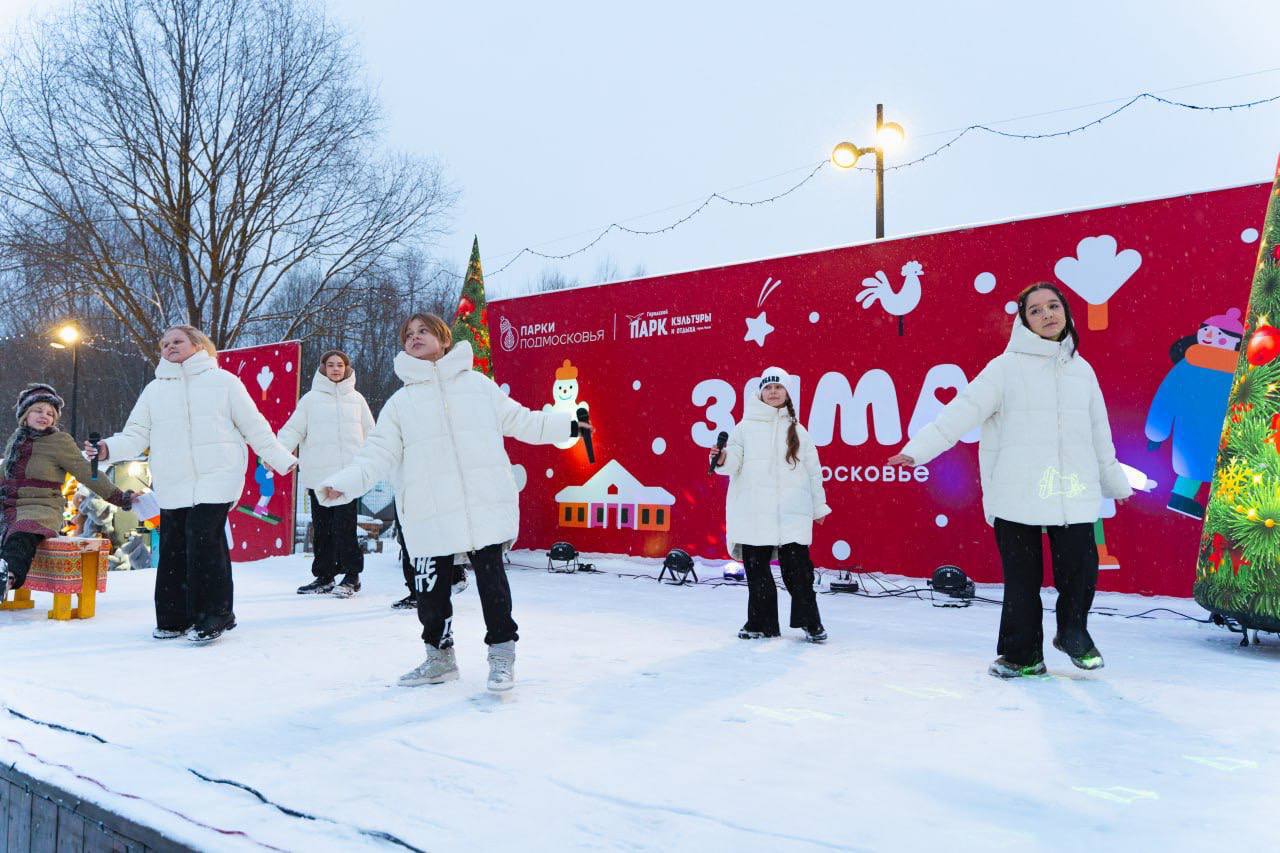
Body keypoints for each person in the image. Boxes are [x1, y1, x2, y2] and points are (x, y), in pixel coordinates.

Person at [320, 313, 588, 692]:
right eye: (408, 335)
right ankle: (439, 658)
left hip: (482, 505)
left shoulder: (479, 386)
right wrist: (342, 484)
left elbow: (525, 422)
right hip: (428, 511)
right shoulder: (400, 403)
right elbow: (375, 456)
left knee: (493, 583)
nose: (415, 337)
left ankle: (501, 656)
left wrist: (570, 424)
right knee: (429, 591)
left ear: (444, 339)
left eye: (423, 331)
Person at [888, 283, 1132, 678]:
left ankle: (1073, 633)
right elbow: (960, 412)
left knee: (1081, 572)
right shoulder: (1004, 368)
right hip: (1016, 493)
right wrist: (918, 450)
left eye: (1053, 306)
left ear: (1066, 312)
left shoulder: (1082, 370)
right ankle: (1023, 656)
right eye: (1035, 310)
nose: (1047, 314)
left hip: (1071, 493)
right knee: (1022, 581)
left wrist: (1114, 481)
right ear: (1023, 321)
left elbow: (1098, 433)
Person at [87, 325, 297, 643]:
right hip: (174, 481)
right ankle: (174, 618)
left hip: (218, 475)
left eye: (177, 341)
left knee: (203, 537)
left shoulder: (225, 383)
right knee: (173, 546)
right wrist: (106, 449)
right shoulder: (154, 391)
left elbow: (255, 427)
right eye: (164, 344)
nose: (170, 347)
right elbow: (135, 435)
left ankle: (215, 614)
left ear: (198, 345)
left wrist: (282, 460)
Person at [711, 367, 830, 643]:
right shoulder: (744, 428)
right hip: (755, 512)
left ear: (787, 393)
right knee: (757, 572)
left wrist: (819, 507)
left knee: (799, 573)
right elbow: (733, 462)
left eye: (778, 387)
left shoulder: (799, 431)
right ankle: (761, 623)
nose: (773, 392)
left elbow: (814, 472)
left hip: (792, 513)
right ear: (759, 393)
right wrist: (721, 458)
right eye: (768, 388)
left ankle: (811, 623)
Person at [1, 384, 133, 600]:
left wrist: (120, 497)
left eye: (50, 413)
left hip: (41, 508)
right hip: (9, 506)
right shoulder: (17, 439)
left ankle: (8, 576)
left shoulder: (59, 441)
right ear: (25, 414)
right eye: (38, 410)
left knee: (21, 533)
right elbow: (4, 470)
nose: (45, 416)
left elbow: (87, 472)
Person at [278, 349, 375, 598]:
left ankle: (352, 576)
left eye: (340, 365)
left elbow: (372, 435)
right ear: (322, 368)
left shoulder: (357, 400)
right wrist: (275, 455)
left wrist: (370, 466)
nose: (335, 369)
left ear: (346, 369)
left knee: (345, 527)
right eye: (330, 364)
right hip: (319, 478)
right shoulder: (310, 400)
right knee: (322, 529)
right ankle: (324, 575)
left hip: (347, 478)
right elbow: (292, 431)